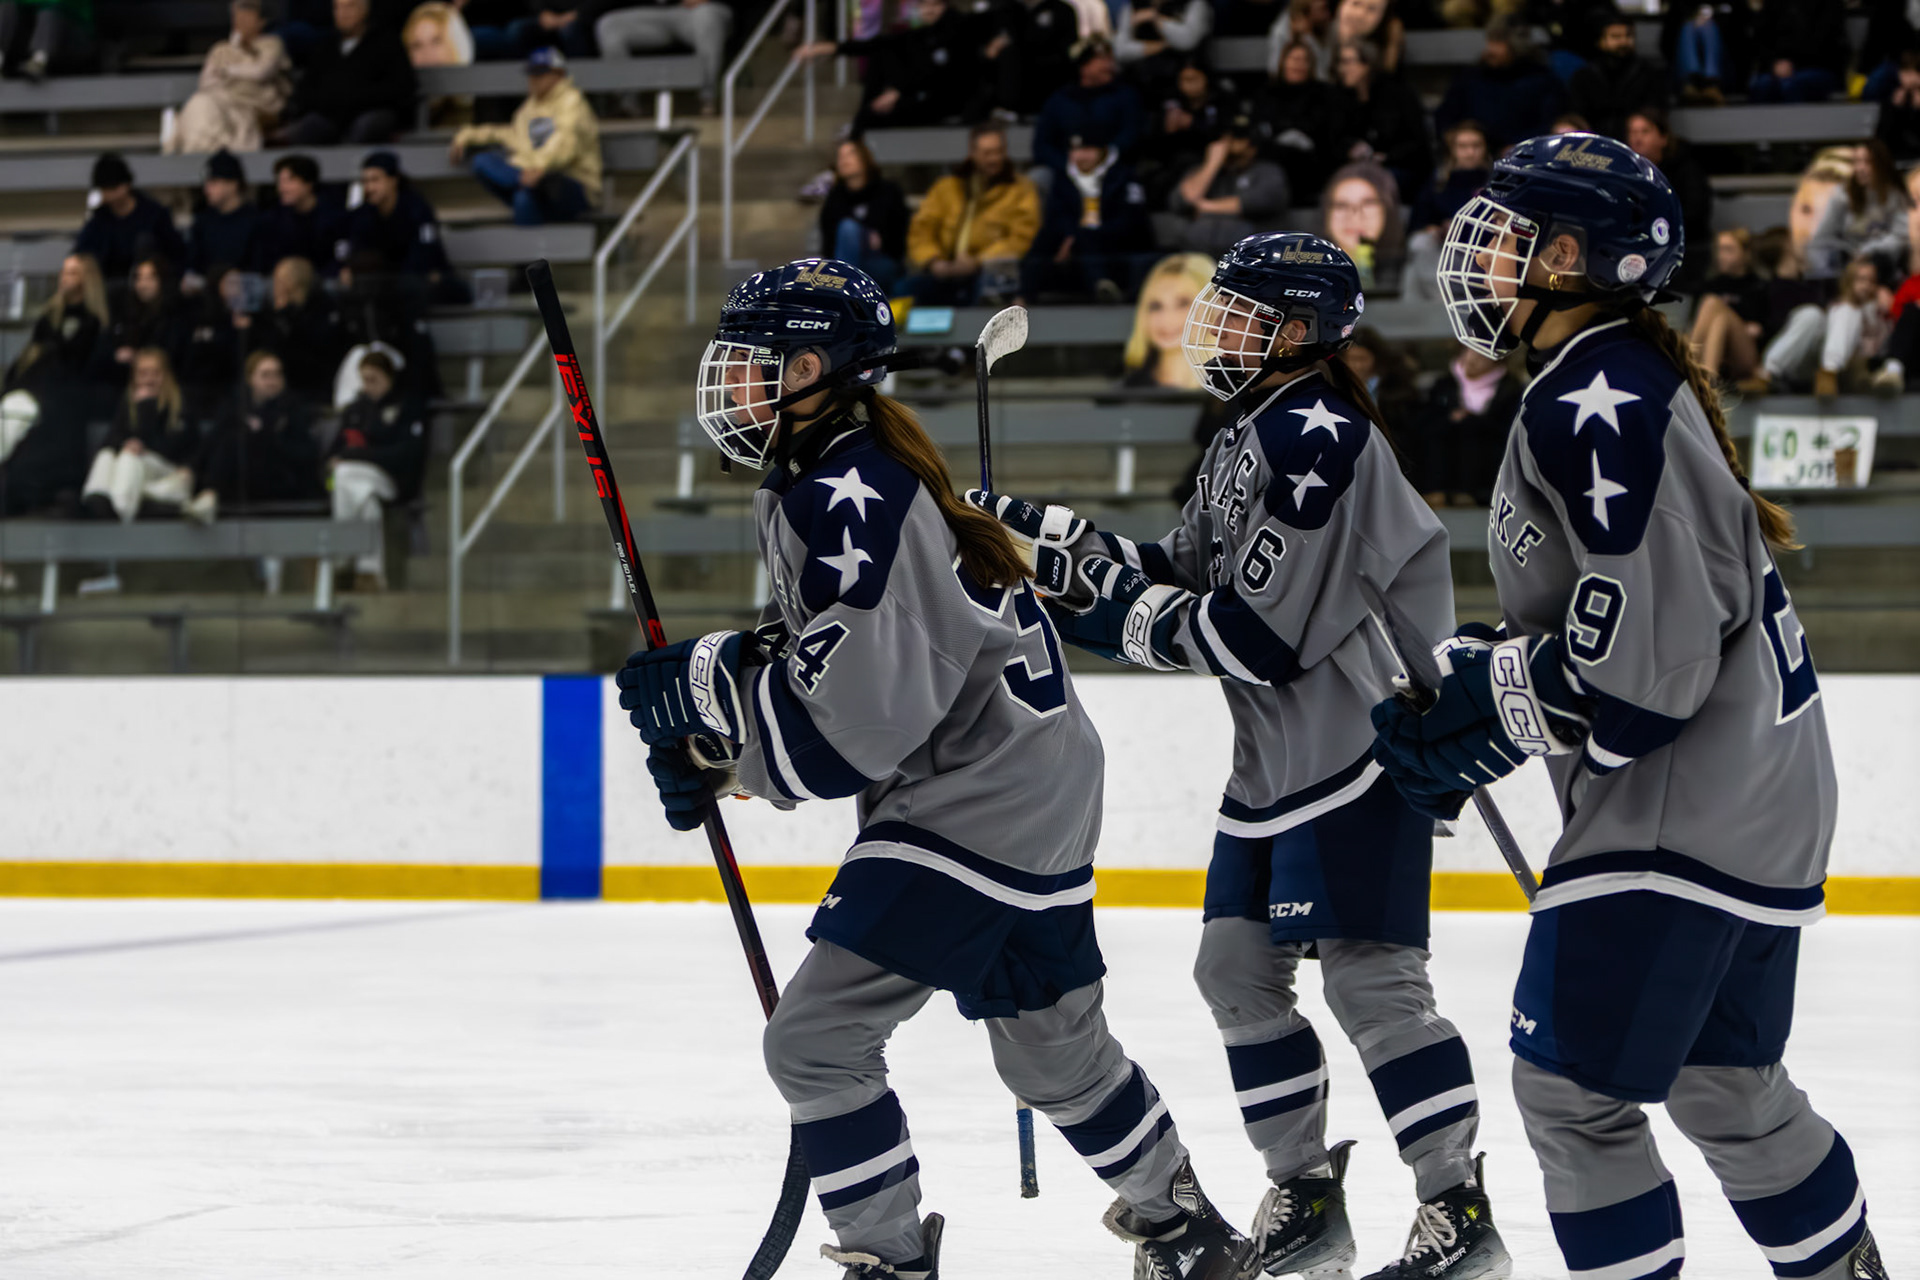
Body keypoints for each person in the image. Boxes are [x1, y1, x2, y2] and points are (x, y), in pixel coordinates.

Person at [619, 256, 1261, 1280]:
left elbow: (854, 722)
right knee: (1053, 1048)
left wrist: (715, 694)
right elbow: (839, 656)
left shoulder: (853, 491)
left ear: (811, 368)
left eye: (752, 360)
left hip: (974, 794)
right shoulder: (844, 474)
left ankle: (889, 1262)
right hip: (1034, 778)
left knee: (816, 1041)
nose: (730, 382)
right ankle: (1190, 1233)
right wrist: (723, 753)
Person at [971, 231, 1512, 1279]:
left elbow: (1254, 635)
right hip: (1274, 765)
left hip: (1363, 745)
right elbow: (1180, 569)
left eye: (1238, 311)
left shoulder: (1318, 435)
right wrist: (1051, 543)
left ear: (1299, 331)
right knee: (1233, 969)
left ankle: (1459, 1209)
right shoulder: (1248, 432)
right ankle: (1305, 1193)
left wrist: (1102, 618)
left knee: (1372, 984)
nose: (1212, 325)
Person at [1400, 128, 1891, 1280]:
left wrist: (1496, 701)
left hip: (1678, 807)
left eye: (1513, 233)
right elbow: (1619, 618)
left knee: (1569, 1090)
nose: (1484, 252)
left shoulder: (1598, 395)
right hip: (1753, 797)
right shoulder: (1613, 380)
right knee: (1729, 1088)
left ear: (1573, 256)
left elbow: (1642, 672)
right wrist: (1489, 672)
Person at [0, 253, 106, 515]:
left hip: (65, 396)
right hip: (34, 389)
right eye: (64, 271)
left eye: (73, 272)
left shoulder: (93, 323)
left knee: (16, 412)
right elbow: (30, 359)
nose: (65, 278)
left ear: (86, 279)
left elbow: (79, 362)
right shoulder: (48, 317)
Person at [450, 47, 600, 226]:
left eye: (540, 73)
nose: (533, 79)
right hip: (533, 181)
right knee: (483, 163)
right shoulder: (529, 107)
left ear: (558, 74)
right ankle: (522, 182)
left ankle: (525, 184)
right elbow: (510, 135)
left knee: (534, 190)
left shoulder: (573, 102)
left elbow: (566, 143)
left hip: (572, 183)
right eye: (531, 73)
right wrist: (467, 135)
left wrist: (539, 167)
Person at [793, 0, 988, 133]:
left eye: (936, 4)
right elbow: (877, 43)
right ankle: (855, 140)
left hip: (949, 102)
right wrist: (832, 48)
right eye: (925, 4)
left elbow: (938, 73)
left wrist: (899, 91)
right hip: (921, 97)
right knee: (883, 51)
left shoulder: (958, 30)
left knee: (870, 116)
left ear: (946, 6)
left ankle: (853, 142)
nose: (930, 9)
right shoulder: (920, 35)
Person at [902, 124, 1040, 305]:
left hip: (989, 271)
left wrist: (978, 262)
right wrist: (933, 261)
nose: (994, 159)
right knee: (904, 290)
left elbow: (1021, 238)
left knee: (989, 288)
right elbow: (921, 229)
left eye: (999, 152)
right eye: (987, 153)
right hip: (944, 269)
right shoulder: (947, 187)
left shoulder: (1021, 190)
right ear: (973, 153)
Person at [326, 349, 424, 588]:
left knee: (344, 474)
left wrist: (355, 455)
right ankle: (369, 572)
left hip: (393, 480)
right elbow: (334, 451)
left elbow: (404, 455)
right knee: (367, 503)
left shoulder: (406, 406)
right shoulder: (355, 410)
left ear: (388, 378)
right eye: (364, 379)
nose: (368, 386)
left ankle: (343, 560)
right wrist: (334, 460)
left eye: (374, 379)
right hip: (361, 482)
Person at [184, 350, 319, 521]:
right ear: (250, 379)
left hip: (281, 479)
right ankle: (190, 476)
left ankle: (209, 493)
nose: (272, 381)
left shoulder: (293, 409)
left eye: (277, 374)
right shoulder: (236, 407)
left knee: (237, 440)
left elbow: (307, 454)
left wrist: (266, 436)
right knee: (230, 435)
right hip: (241, 481)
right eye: (265, 375)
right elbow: (212, 439)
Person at [1024, 127, 1152, 302]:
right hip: (1076, 242)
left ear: (1102, 150)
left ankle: (1102, 286)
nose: (1081, 156)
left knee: (1086, 236)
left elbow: (1131, 221)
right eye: (1075, 150)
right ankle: (1022, 296)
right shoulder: (1063, 177)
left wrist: (1087, 234)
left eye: (1087, 150)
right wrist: (1072, 236)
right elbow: (1056, 216)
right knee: (1045, 237)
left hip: (1116, 243)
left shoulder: (1124, 176)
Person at [271, 0, 417, 146]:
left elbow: (400, 88)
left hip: (372, 112)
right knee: (306, 129)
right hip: (330, 116)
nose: (343, 13)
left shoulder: (387, 43)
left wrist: (353, 98)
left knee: (366, 125)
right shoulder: (325, 48)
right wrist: (329, 102)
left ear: (364, 10)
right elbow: (306, 90)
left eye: (350, 6)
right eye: (337, 7)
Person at [80, 348, 199, 523]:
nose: (149, 379)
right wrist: (126, 443)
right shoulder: (128, 401)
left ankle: (120, 515)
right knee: (107, 455)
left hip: (169, 474)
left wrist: (147, 409)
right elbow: (110, 440)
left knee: (130, 458)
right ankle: (95, 500)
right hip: (135, 475)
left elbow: (169, 449)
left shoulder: (179, 403)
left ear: (166, 375)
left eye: (155, 373)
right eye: (143, 373)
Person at [167, 0, 293, 154]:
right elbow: (205, 82)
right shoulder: (221, 49)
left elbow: (260, 72)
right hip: (222, 99)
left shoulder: (272, 44)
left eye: (247, 15)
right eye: (237, 15)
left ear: (261, 20)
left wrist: (227, 71)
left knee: (215, 111)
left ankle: (218, 154)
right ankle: (200, 153)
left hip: (253, 104)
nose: (240, 19)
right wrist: (235, 51)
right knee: (200, 103)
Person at [343, 150, 468, 305]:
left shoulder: (417, 209)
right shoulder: (363, 214)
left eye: (375, 180)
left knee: (414, 286)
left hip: (419, 279)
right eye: (366, 181)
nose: (369, 188)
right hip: (383, 283)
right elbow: (358, 249)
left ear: (393, 180)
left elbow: (426, 253)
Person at [1432, 20, 1568, 156]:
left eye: (1499, 42)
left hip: (1527, 156)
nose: (1491, 49)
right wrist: (1455, 137)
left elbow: (1551, 124)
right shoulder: (1471, 77)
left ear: (1517, 47)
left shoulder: (1542, 80)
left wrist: (1519, 146)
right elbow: (1446, 116)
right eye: (1490, 41)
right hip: (1474, 154)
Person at [1406, 343, 1516, 506]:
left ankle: (1470, 494)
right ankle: (1437, 491)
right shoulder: (1444, 384)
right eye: (1468, 352)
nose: (1472, 360)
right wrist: (1451, 419)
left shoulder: (1510, 389)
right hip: (1444, 456)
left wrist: (1474, 421)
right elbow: (1424, 423)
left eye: (1481, 356)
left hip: (1486, 462)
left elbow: (1507, 430)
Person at [1166, 115, 1289, 257]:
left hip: (1250, 259)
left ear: (1253, 146)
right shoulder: (1201, 171)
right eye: (1225, 138)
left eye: (1237, 138)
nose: (1229, 144)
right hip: (1197, 258)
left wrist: (1203, 207)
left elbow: (1259, 201)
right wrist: (1212, 164)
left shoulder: (1267, 171)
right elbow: (1182, 200)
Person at [1327, 38, 1430, 202]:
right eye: (1340, 62)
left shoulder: (1398, 94)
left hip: (1399, 167)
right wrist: (1351, 148)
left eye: (1348, 62)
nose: (1342, 68)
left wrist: (1385, 157)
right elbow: (1334, 139)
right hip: (1356, 167)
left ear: (1367, 64)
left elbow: (1418, 142)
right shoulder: (1339, 97)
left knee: (1373, 183)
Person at [597, 0, 733, 116]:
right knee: (609, 25)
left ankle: (708, 98)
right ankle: (626, 104)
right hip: (656, 12)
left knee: (705, 16)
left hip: (699, 9)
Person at [1623, 109, 1711, 289]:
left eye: (1645, 131)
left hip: (1682, 252)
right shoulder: (1622, 173)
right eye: (1633, 132)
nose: (1637, 139)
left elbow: (1695, 214)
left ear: (1663, 138)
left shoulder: (1687, 169)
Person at [1033, 39, 1146, 173]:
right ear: (1084, 66)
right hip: (1065, 172)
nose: (1109, 65)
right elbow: (1042, 145)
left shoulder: (1125, 95)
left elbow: (1132, 135)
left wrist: (1102, 154)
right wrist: (1069, 163)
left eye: (1110, 60)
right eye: (1101, 60)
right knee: (1039, 175)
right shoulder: (1061, 99)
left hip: (1114, 171)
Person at [75, 153, 188, 285]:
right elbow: (82, 251)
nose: (109, 195)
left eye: (112, 188)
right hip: (110, 284)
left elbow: (175, 253)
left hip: (150, 285)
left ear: (126, 185)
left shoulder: (154, 214)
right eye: (104, 189)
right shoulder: (99, 218)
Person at [1806, 140, 1910, 283]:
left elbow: (1901, 236)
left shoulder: (1895, 195)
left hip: (1883, 263)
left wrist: (1868, 251)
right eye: (1856, 162)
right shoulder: (1842, 195)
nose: (1860, 168)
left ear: (1881, 164)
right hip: (1846, 262)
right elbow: (1822, 236)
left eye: (1867, 162)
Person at [1250, 39, 1337, 205]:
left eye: (1304, 60)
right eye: (1293, 58)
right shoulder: (1266, 92)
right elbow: (1260, 126)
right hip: (1273, 154)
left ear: (1311, 65)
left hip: (1311, 157)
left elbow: (1324, 129)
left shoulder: (1323, 93)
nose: (1298, 64)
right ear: (1283, 62)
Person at [816, 139, 909, 293]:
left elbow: (899, 237)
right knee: (848, 229)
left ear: (865, 158)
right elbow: (829, 243)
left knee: (849, 229)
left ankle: (843, 293)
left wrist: (879, 239)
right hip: (843, 262)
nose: (845, 160)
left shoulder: (888, 191)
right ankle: (846, 289)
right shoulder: (835, 198)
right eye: (840, 156)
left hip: (881, 262)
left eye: (851, 154)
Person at [248, 257, 342, 405]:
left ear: (292, 283)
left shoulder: (321, 307)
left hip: (315, 383)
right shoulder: (270, 312)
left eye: (280, 280)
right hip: (284, 383)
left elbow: (318, 345)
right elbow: (267, 345)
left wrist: (286, 314)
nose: (274, 285)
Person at [1568, 11, 1667, 141]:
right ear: (1600, 41)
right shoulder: (1584, 77)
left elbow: (1654, 114)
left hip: (1635, 142)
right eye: (1616, 37)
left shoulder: (1649, 74)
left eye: (1628, 36)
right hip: (1594, 143)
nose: (1623, 42)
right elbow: (1577, 117)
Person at [1687, 228, 1768, 381]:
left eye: (1728, 250)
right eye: (1719, 249)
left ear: (1746, 253)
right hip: (1714, 349)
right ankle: (1709, 377)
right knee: (1719, 316)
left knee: (1713, 304)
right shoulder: (1710, 285)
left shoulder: (1759, 286)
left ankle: (1686, 361)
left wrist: (1758, 328)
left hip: (1745, 354)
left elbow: (1769, 326)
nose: (1721, 256)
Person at [1121, 251, 1211, 389]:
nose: (1167, 318)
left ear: (1213, 307)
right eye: (1156, 306)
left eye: (1183, 303)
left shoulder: (1235, 390)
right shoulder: (1124, 394)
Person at [978, 0, 1079, 119]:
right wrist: (990, 50)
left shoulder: (1061, 10)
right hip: (1010, 92)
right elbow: (989, 51)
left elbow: (1068, 52)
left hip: (1048, 87)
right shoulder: (1007, 11)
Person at [102, 256, 186, 389]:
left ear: (163, 280)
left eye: (150, 278)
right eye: (139, 278)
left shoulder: (176, 316)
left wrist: (137, 357)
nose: (143, 285)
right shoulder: (126, 312)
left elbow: (173, 354)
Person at [1320, 160, 1403, 293]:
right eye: (1341, 205)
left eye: (1368, 203)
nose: (1355, 216)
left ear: (1388, 210)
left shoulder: (1409, 270)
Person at [186, 149, 266, 286]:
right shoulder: (202, 221)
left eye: (214, 182)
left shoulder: (256, 221)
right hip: (207, 293)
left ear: (233, 184)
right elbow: (193, 265)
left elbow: (258, 270)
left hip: (244, 292)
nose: (207, 189)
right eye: (207, 183)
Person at [258, 154, 346, 275]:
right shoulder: (273, 219)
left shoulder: (333, 217)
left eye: (289, 181)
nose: (282, 188)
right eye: (279, 182)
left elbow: (339, 257)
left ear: (308, 183)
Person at [1746, 0, 1847, 103]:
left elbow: (1826, 41)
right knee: (1762, 85)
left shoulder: (1829, 4)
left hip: (1818, 67)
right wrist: (1774, 64)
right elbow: (1761, 40)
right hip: (1777, 67)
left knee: (1790, 85)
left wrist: (1792, 65)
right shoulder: (1774, 4)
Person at [1111, 0, 1211, 100]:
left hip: (1180, 82)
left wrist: (1156, 19)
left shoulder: (1194, 4)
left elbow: (1187, 42)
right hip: (1140, 81)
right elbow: (1121, 52)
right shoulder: (1133, 6)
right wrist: (1164, 45)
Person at [404, 1, 476, 129]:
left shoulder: (483, 111)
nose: (427, 54)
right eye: (417, 45)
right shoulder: (401, 120)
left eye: (436, 41)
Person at [0, 0, 91, 80]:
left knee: (49, 6)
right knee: (8, 4)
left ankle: (39, 61)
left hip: (71, 37)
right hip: (22, 43)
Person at [1264, 0, 1332, 81]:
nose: (1327, 15)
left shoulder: (1323, 28)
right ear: (1306, 11)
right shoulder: (1281, 32)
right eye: (1322, 9)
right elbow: (1274, 70)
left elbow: (1324, 72)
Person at [1877, 49, 1920, 163]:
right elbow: (1883, 136)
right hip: (1896, 156)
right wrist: (1895, 108)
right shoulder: (1892, 98)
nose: (1910, 77)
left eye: (1915, 71)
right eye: (1905, 71)